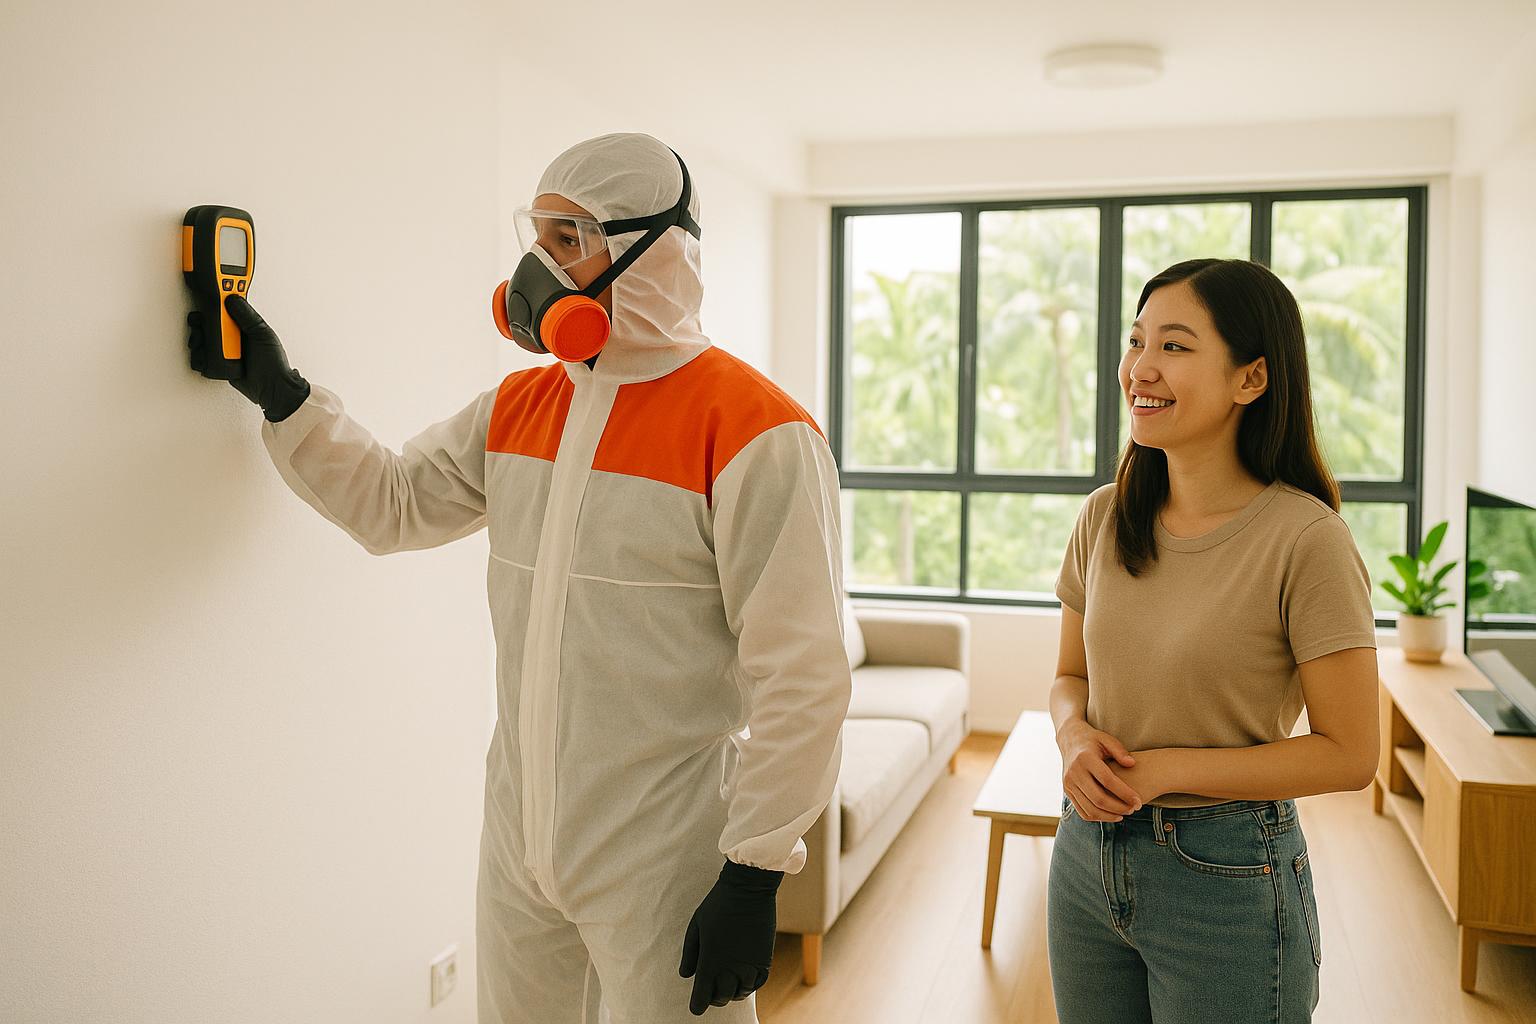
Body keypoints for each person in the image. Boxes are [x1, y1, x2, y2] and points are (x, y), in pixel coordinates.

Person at [187, 132, 851, 1022]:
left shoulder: (756, 433)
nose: (539, 266)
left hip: (668, 852)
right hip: (520, 838)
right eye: (536, 235)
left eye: (567, 240)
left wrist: (755, 869)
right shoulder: (520, 405)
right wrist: (283, 394)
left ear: (646, 251)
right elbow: (393, 503)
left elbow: (803, 675)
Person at [1046, 259, 1380, 1024]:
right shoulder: (1104, 515)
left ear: (1251, 380)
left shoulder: (1308, 539)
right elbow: (1070, 676)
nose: (1140, 368)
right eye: (1136, 342)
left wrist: (1163, 770)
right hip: (1086, 858)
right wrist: (1071, 736)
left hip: (1227, 872)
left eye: (1175, 345)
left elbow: (1350, 752)